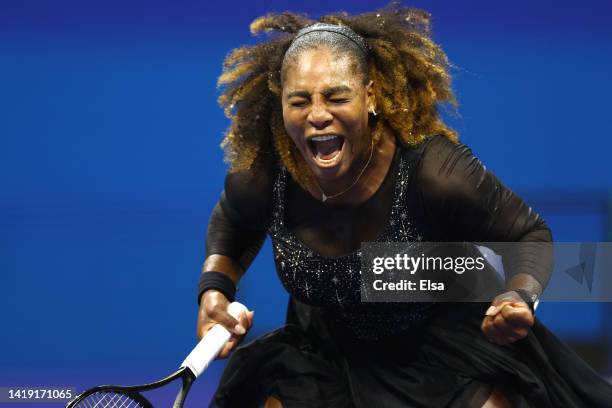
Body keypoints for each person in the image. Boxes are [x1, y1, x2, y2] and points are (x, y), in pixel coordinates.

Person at [195, 4, 612, 407]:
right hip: (321, 359)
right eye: (299, 100)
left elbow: (528, 234)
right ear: (281, 103)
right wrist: (214, 290)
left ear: (370, 97)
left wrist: (519, 296)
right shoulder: (266, 175)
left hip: (440, 352)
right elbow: (231, 225)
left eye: (336, 97)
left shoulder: (436, 172)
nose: (317, 115)